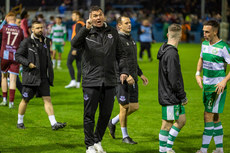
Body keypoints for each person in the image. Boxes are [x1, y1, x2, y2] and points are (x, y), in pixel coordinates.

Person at [71, 6, 128, 153]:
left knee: (106, 114)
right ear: (90, 17)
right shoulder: (86, 32)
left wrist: (123, 71)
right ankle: (89, 145)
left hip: (110, 80)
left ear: (104, 16)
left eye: (100, 15)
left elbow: (121, 54)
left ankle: (97, 141)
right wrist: (85, 29)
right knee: (89, 114)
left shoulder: (113, 32)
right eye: (94, 15)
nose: (98, 18)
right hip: (91, 80)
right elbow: (74, 44)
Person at [15, 20, 66, 130]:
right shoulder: (26, 42)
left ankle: (54, 123)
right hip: (31, 77)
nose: (40, 30)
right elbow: (18, 56)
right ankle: (20, 122)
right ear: (32, 29)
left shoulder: (46, 41)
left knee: (47, 99)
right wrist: (28, 63)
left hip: (43, 77)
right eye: (37, 28)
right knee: (25, 100)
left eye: (41, 27)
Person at [108, 16, 149, 144]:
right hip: (121, 79)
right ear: (119, 25)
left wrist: (140, 74)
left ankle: (112, 122)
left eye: (130, 23)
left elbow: (132, 60)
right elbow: (114, 61)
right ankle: (125, 136)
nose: (129, 25)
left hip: (133, 78)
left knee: (134, 107)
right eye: (126, 23)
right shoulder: (117, 40)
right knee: (124, 107)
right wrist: (125, 74)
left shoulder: (131, 39)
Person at [195, 20, 230, 153]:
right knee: (215, 116)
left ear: (215, 32)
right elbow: (201, 58)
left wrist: (224, 81)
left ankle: (203, 150)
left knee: (207, 115)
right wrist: (198, 74)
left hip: (217, 87)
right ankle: (219, 149)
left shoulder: (223, 47)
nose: (204, 34)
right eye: (203, 31)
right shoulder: (204, 44)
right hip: (206, 85)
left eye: (207, 31)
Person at [157, 24, 188, 153]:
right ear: (180, 36)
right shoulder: (171, 54)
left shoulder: (166, 50)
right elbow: (174, 80)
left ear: (168, 35)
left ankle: (167, 148)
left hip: (170, 95)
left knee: (181, 120)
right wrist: (182, 95)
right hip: (170, 96)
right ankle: (163, 150)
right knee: (167, 125)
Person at [0, 12, 24, 108]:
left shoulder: (4, 27)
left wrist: (4, 21)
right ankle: (11, 103)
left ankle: (4, 100)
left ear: (7, 18)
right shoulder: (20, 30)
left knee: (4, 77)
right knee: (13, 80)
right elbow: (22, 42)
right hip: (15, 56)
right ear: (15, 19)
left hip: (5, 55)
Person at [65, 10, 85, 88]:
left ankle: (73, 80)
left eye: (73, 15)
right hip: (81, 48)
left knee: (69, 63)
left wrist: (75, 48)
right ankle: (78, 82)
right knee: (78, 64)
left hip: (76, 47)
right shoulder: (83, 24)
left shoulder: (78, 24)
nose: (72, 17)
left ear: (77, 16)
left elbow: (78, 37)